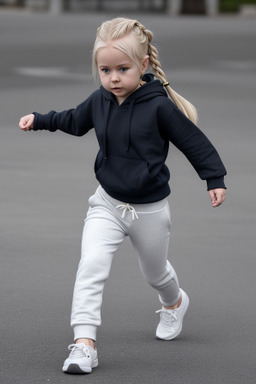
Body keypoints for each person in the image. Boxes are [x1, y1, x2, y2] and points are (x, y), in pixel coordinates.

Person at [19, 17, 226, 374]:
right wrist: (40, 119)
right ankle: (84, 344)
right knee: (91, 266)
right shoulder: (100, 100)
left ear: (143, 65)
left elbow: (194, 143)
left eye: (122, 69)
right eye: (105, 70)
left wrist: (214, 178)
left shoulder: (159, 106)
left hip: (149, 210)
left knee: (156, 273)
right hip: (107, 203)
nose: (113, 78)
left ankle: (174, 302)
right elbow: (73, 120)